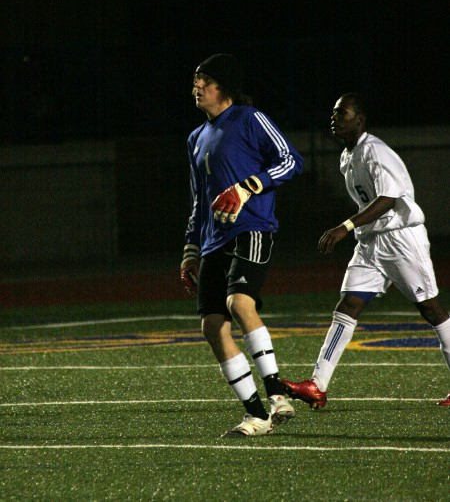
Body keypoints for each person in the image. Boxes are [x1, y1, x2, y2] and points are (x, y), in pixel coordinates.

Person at [281, 93, 450, 409]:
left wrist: (343, 227)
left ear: (359, 119)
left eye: (341, 112)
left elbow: (388, 198)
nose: (334, 117)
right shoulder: (348, 155)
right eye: (333, 112)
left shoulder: (374, 151)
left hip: (401, 238)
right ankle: (317, 385)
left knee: (431, 309)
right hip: (372, 242)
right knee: (348, 304)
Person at [180, 53, 304, 437]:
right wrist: (190, 248)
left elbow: (291, 160)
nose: (197, 86)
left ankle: (276, 393)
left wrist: (248, 187)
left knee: (239, 303)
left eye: (204, 80)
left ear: (223, 87)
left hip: (252, 226)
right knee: (212, 325)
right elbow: (199, 199)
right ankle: (256, 415)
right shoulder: (195, 138)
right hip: (214, 240)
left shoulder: (250, 119)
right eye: (195, 80)